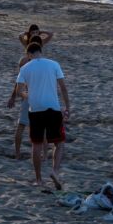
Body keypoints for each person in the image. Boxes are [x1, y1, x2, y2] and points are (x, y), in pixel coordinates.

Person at [16, 42, 70, 189]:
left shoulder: (25, 67)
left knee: (36, 145)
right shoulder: (54, 64)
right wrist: (68, 107)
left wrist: (27, 94)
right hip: (53, 107)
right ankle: (55, 171)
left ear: (29, 54)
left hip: (35, 109)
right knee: (59, 143)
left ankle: (39, 179)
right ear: (41, 51)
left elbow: (19, 90)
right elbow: (63, 88)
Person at [8, 34, 43, 159]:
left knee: (21, 126)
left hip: (27, 96)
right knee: (40, 127)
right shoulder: (43, 63)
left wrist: (14, 96)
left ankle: (17, 154)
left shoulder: (24, 62)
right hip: (38, 97)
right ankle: (43, 155)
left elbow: (19, 82)